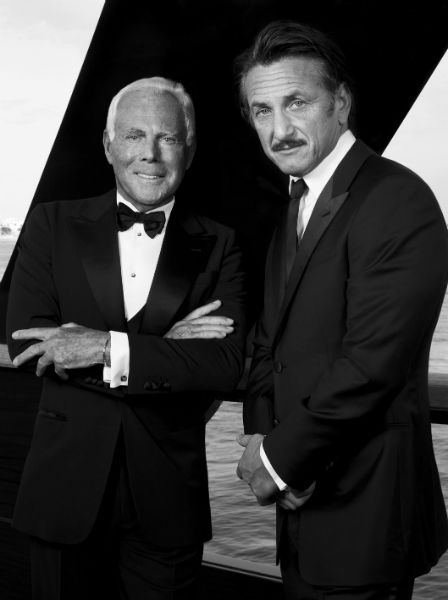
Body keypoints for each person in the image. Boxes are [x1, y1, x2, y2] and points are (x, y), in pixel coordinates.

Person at [6, 77, 245, 600]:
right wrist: (167, 349)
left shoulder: (221, 242)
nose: (151, 154)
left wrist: (103, 347)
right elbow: (27, 345)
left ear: (188, 149)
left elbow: (225, 363)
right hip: (63, 489)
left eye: (168, 138)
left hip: (167, 498)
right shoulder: (51, 224)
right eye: (135, 135)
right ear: (108, 144)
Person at [235, 20, 448, 600]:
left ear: (342, 103)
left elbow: (372, 365)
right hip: (302, 513)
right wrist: (262, 435)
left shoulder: (398, 198)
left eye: (297, 102)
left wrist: (278, 462)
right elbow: (269, 343)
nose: (279, 130)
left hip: (366, 516)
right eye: (262, 111)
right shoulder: (297, 203)